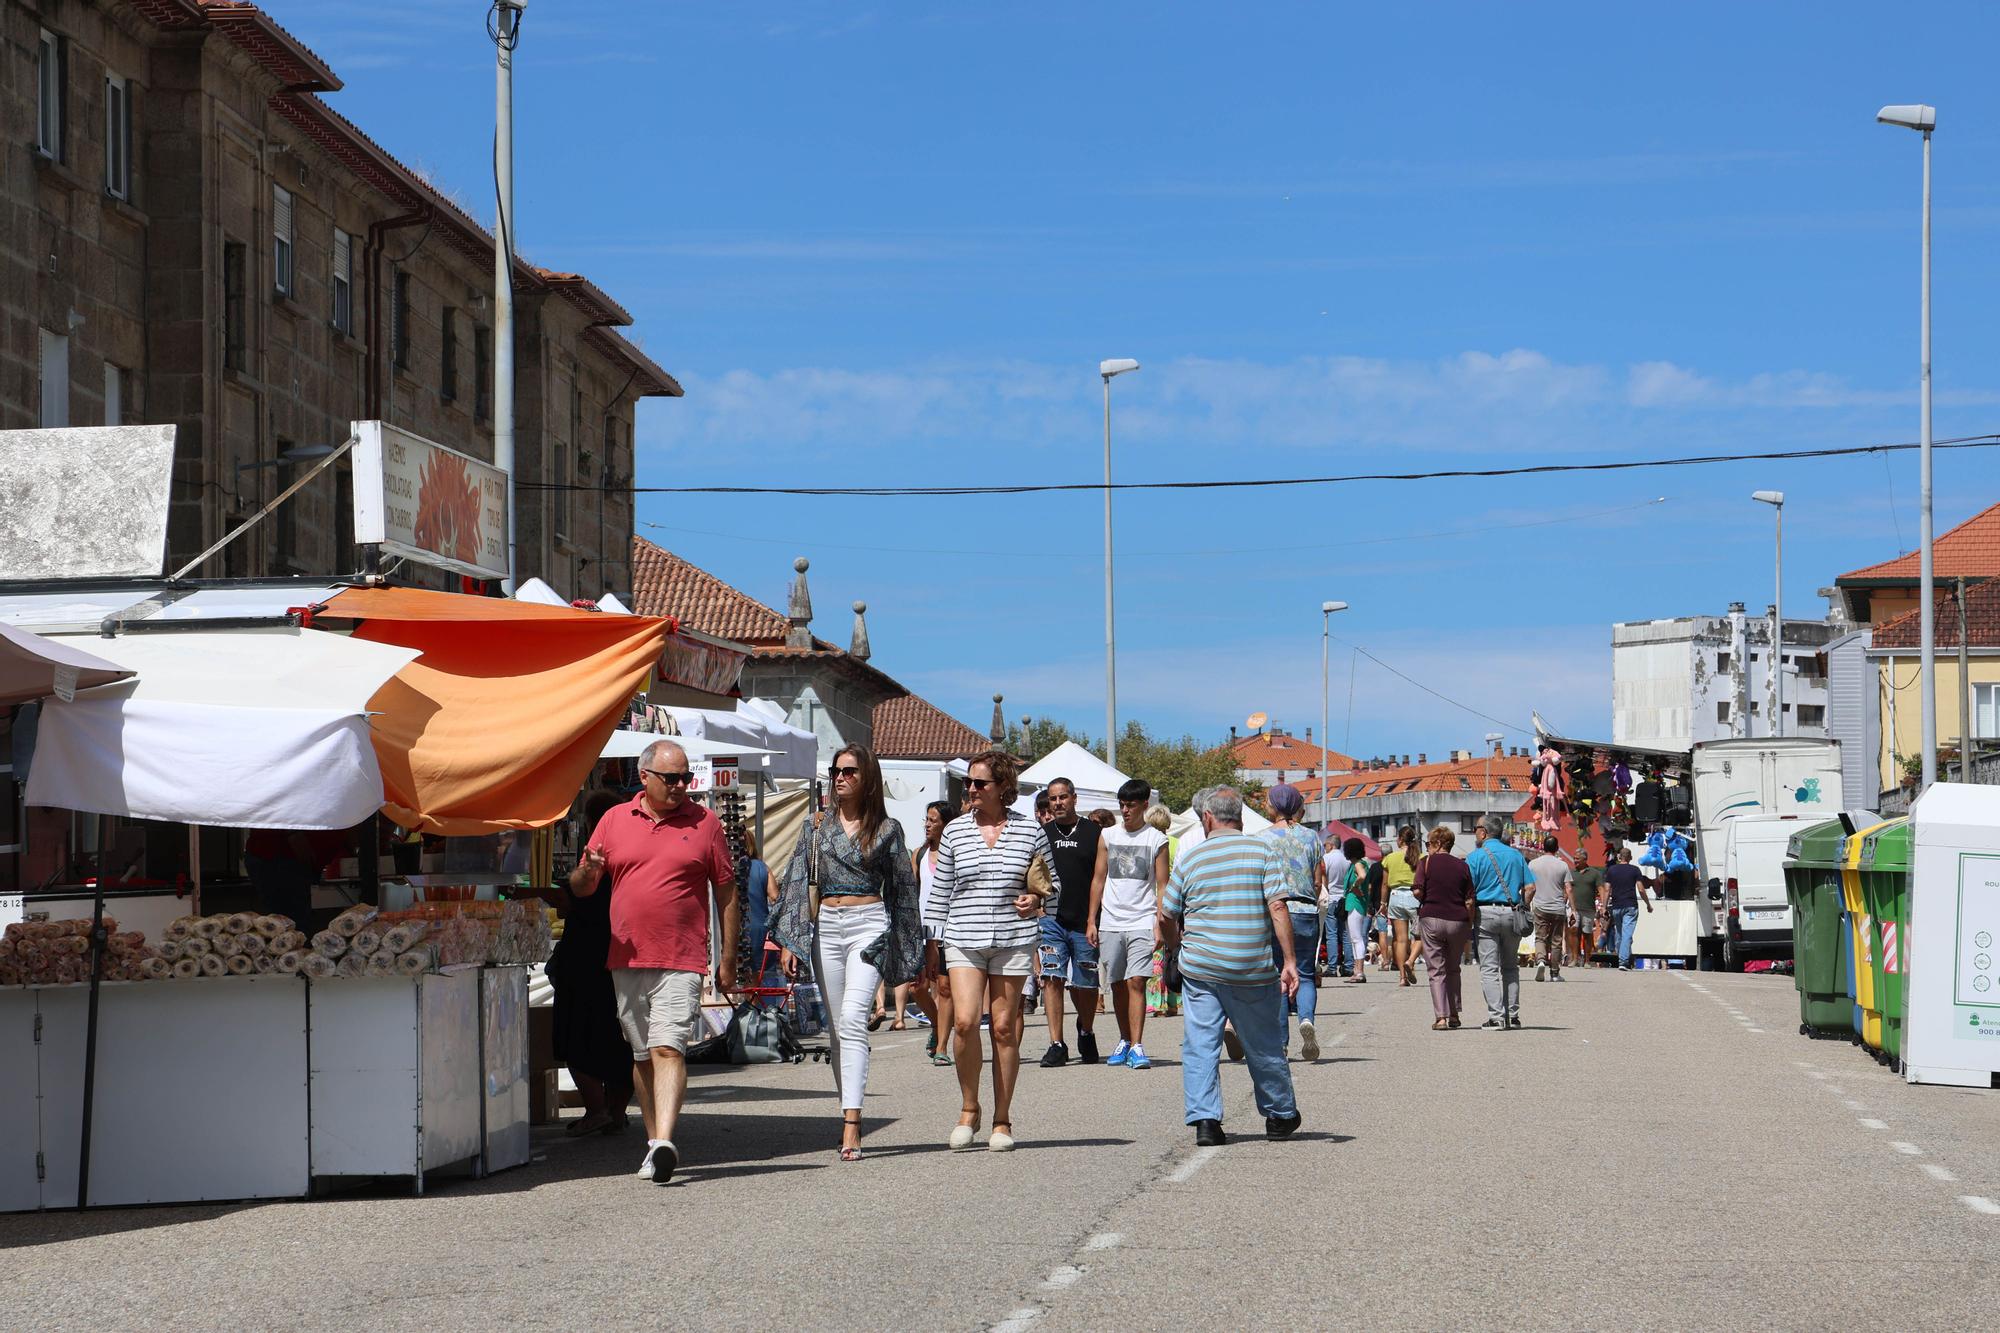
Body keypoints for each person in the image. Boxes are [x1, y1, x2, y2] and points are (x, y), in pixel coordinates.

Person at [572, 738, 738, 1186]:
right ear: (644, 777)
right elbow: (582, 887)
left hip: (682, 956)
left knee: (668, 1048)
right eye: (672, 778)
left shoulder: (705, 824)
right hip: (625, 956)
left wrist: (727, 959)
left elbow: (726, 893)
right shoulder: (613, 819)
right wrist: (587, 870)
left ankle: (665, 1140)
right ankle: (653, 1144)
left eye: (686, 777)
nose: (681, 786)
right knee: (643, 1055)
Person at [774, 744, 926, 1162]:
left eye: (850, 771)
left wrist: (909, 946)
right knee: (838, 1030)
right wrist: (792, 939)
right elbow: (793, 881)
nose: (840, 777)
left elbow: (902, 892)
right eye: (836, 770)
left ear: (867, 778)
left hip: (868, 924)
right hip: (826, 925)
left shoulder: (887, 829)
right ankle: (848, 1106)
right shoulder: (815, 825)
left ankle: (852, 1124)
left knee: (854, 1018)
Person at [924, 749, 1054, 1152]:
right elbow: (940, 892)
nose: (972, 789)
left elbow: (1053, 886)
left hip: (1013, 940)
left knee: (1002, 1027)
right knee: (964, 1022)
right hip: (963, 936)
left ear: (1003, 787)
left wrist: (1036, 902)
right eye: (968, 783)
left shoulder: (1031, 831)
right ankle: (969, 1108)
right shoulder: (955, 831)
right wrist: (931, 945)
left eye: (980, 783)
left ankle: (1002, 1119)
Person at [1159, 787, 1302, 1147]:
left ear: (1207, 817)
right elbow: (1278, 907)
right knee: (1264, 1042)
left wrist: (1176, 949)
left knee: (1200, 1045)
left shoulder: (1191, 858)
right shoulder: (1262, 850)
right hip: (1252, 967)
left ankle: (1206, 1120)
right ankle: (1279, 1115)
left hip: (1203, 967)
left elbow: (1166, 913)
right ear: (1239, 815)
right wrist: (1289, 961)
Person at [549, 788, 633, 1138]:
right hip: (621, 960)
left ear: (588, 821)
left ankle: (597, 1110)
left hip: (584, 962)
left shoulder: (595, 860)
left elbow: (572, 900)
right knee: (620, 1041)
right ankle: (615, 1111)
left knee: (576, 1038)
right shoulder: (631, 858)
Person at [1090, 778, 1170, 1069]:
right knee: (1118, 984)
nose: (1125, 811)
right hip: (1111, 920)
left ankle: (1137, 1045)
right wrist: (1091, 920)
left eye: (1131, 805)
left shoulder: (1156, 840)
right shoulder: (1108, 836)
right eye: (1122, 805)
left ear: (1145, 806)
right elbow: (1098, 879)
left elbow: (1163, 885)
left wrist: (1160, 923)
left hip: (1142, 919)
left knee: (1137, 981)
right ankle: (1124, 1039)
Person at [1037, 778, 1107, 1068]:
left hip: (1085, 921)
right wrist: (1039, 909)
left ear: (1074, 798)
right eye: (1053, 799)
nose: (1058, 803)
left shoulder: (1094, 833)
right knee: (1052, 978)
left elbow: (1099, 879)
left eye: (1063, 797)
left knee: (1086, 984)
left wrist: (1092, 919)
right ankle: (1056, 1043)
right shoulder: (1042, 833)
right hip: (1052, 919)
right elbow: (1032, 873)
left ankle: (1086, 1030)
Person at [1258, 783, 1327, 1060]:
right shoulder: (1312, 837)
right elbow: (1317, 879)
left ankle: (1281, 1042)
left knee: (1278, 974)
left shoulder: (1261, 838)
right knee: (1306, 973)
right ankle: (1306, 1019)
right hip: (1306, 910)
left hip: (1276, 912)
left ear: (1274, 805)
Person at [1466, 815, 1532, 1030]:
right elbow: (1530, 887)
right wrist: (1523, 905)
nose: (1475, 832)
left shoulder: (1475, 857)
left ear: (1484, 832)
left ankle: (1496, 1017)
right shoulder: (1516, 855)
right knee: (1511, 966)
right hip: (1512, 911)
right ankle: (1513, 1016)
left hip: (1485, 913)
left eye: (1476, 828)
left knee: (1489, 968)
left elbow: (1469, 892)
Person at [1413, 825, 1476, 1029]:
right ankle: (1455, 1014)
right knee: (1453, 968)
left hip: (1431, 918)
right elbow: (1469, 900)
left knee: (1436, 970)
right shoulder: (1462, 865)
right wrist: (1470, 923)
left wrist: (1425, 895)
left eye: (1428, 843)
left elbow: (1416, 892)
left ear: (1438, 843)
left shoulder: (1426, 863)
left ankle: (1441, 1018)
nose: (1427, 847)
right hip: (1458, 921)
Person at [912, 800, 957, 1065]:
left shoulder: (953, 854)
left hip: (948, 928)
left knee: (945, 988)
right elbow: (912, 892)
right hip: (921, 929)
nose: (927, 825)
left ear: (946, 824)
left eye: (933, 820)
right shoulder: (918, 853)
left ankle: (941, 1046)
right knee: (916, 987)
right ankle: (938, 1024)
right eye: (926, 820)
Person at [1144, 804, 1182, 1018]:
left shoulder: (1149, 844)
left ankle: (1157, 1002)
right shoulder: (1175, 843)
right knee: (1172, 950)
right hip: (1173, 902)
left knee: (1156, 954)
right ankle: (1174, 999)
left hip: (1152, 901)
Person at [1527, 835, 1573, 983]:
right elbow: (1568, 888)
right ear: (1557, 848)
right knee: (1556, 941)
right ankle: (1554, 973)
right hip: (1558, 908)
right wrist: (1573, 909)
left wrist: (1526, 903)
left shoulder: (1533, 864)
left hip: (1540, 906)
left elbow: (1528, 886)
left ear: (1543, 847)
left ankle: (1540, 960)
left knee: (1540, 937)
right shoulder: (1563, 865)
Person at [1381, 824, 1422, 986]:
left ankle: (1402, 978)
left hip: (1395, 897)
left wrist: (1383, 903)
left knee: (1401, 939)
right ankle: (1411, 960)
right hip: (1415, 897)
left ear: (1399, 840)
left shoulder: (1389, 858)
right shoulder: (1421, 857)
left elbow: (1385, 884)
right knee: (1420, 936)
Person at [1603, 846, 1655, 971]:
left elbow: (1606, 889)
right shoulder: (1635, 870)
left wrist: (1604, 907)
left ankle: (1623, 958)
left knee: (1620, 933)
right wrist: (1648, 904)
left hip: (1616, 906)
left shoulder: (1611, 870)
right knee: (1626, 934)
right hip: (1630, 905)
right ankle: (1623, 961)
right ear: (1630, 858)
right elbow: (1641, 889)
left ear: (1619, 857)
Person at [1336, 837, 1376, 984]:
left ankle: (1359, 971)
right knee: (1355, 938)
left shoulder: (1358, 864)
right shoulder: (1360, 863)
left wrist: (1354, 887)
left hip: (1354, 902)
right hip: (1356, 902)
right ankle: (1357, 970)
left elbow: (1362, 876)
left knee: (1356, 937)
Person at [739, 828, 774, 986]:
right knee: (760, 976)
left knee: (745, 975)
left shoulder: (730, 869)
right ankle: (760, 1007)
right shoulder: (762, 867)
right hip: (762, 927)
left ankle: (748, 1007)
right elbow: (775, 896)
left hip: (740, 929)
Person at [1320, 834, 1351, 977]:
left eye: (1325, 845)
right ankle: (1349, 965)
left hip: (1331, 897)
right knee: (1345, 934)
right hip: (1344, 898)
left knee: (1331, 934)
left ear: (1331, 845)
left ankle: (1332, 967)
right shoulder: (1347, 859)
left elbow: (1322, 879)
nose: (1324, 848)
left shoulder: (1326, 858)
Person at [1569, 845, 1605, 969]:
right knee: (1574, 932)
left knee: (1587, 934)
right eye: (1574, 858)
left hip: (1589, 909)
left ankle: (1587, 960)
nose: (1575, 861)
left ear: (1585, 859)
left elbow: (1601, 889)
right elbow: (1566, 890)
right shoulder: (1571, 873)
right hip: (1574, 909)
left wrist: (1603, 907)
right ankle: (1574, 958)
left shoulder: (1595, 873)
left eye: (1577, 859)